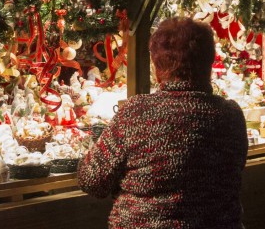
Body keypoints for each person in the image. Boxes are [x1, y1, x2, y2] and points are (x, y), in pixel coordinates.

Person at [78, 17, 248, 228]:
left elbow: (92, 181)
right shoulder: (231, 115)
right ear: (209, 62)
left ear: (158, 65)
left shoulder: (136, 112)